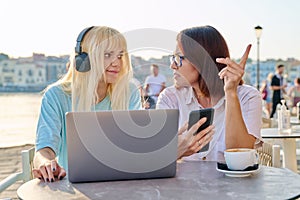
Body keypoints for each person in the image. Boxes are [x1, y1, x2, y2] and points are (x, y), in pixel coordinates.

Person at [32, 26, 142, 182]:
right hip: (73, 186)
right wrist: (46, 163)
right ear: (84, 59)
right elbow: (44, 149)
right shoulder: (56, 96)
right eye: (107, 55)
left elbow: (136, 145)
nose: (117, 63)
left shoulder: (130, 91)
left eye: (120, 55)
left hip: (122, 182)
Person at [157, 25, 262, 161]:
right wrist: (177, 151)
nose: (172, 65)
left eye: (178, 58)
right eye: (173, 58)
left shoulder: (247, 97)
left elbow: (240, 155)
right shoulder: (170, 98)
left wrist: (230, 94)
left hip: (233, 182)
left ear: (201, 61)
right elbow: (156, 157)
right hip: (184, 182)